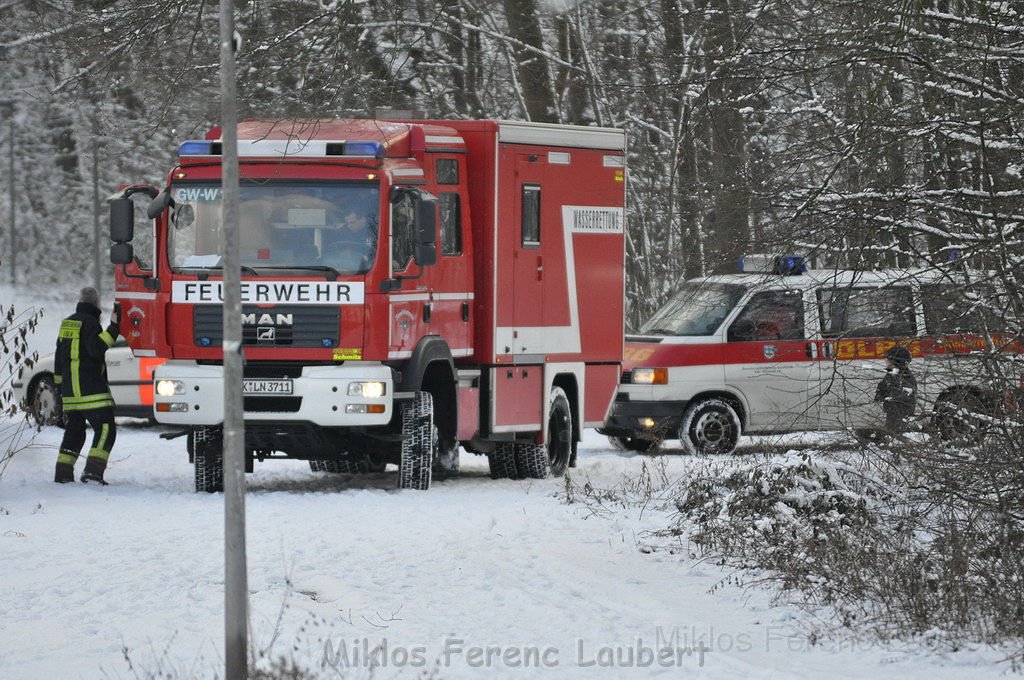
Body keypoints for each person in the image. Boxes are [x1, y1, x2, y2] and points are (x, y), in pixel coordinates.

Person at [53, 287, 120, 485]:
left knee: (74, 432)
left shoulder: (67, 323)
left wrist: (60, 390)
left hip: (70, 393)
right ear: (96, 304)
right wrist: (114, 328)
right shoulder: (91, 323)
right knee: (106, 429)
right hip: (91, 391)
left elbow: (59, 359)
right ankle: (93, 473)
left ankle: (63, 473)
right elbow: (96, 349)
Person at [874, 346, 917, 435]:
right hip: (892, 412)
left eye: (888, 360)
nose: (886, 362)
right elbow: (884, 386)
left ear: (896, 361)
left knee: (896, 432)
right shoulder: (892, 374)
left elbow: (903, 394)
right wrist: (880, 394)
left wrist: (889, 398)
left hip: (900, 413)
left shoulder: (905, 376)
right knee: (890, 431)